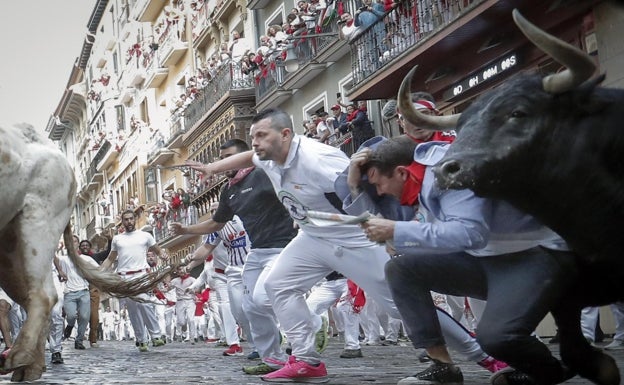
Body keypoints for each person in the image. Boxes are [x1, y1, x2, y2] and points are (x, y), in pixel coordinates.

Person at [185, 108, 403, 383]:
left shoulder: (317, 160)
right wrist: (211, 168)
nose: (255, 142)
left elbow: (364, 194)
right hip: (310, 238)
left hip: (352, 238)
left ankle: (468, 348)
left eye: (261, 135)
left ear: (285, 134)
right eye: (253, 136)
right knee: (271, 291)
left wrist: (390, 233)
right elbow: (248, 159)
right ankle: (305, 360)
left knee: (400, 303)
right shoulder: (268, 161)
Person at [347, 136, 578, 385]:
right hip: (490, 260)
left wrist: (397, 231)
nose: (380, 192)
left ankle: (558, 368)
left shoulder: (449, 172)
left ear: (401, 173)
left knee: (495, 337)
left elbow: (470, 234)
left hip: (531, 260)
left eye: (379, 184)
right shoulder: (419, 179)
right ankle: (442, 367)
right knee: (401, 269)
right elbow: (409, 229)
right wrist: (354, 186)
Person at [170, 138, 298, 376]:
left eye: (227, 157)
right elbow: (217, 223)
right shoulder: (228, 190)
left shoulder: (263, 174)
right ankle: (273, 359)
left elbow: (293, 190)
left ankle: (309, 324)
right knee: (247, 309)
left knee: (262, 299)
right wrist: (186, 230)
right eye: (220, 159)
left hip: (281, 247)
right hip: (257, 253)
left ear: (243, 157)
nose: (222, 163)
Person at [100, 210, 167, 352]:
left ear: (135, 219)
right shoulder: (118, 239)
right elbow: (111, 258)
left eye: (131, 219)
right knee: (132, 309)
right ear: (122, 222)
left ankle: (155, 335)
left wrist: (163, 255)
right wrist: (99, 271)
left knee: (145, 303)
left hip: (141, 275)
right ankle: (141, 340)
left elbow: (157, 250)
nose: (129, 222)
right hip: (124, 277)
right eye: (126, 219)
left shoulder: (145, 236)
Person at [58, 235, 99, 350]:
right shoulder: (63, 259)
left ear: (78, 244)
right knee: (71, 316)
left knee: (84, 317)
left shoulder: (86, 259)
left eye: (75, 241)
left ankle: (79, 340)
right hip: (69, 292)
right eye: (69, 241)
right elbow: (53, 260)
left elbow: (99, 269)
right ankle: (70, 325)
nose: (72, 243)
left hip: (84, 291)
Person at [79, 236, 111, 348]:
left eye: (87, 245)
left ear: (90, 247)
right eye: (83, 246)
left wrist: (110, 240)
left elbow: (108, 253)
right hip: (80, 287)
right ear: (80, 248)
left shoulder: (95, 257)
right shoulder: (77, 258)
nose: (85, 247)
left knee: (94, 315)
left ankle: (93, 339)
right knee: (82, 315)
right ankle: (79, 338)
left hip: (93, 287)